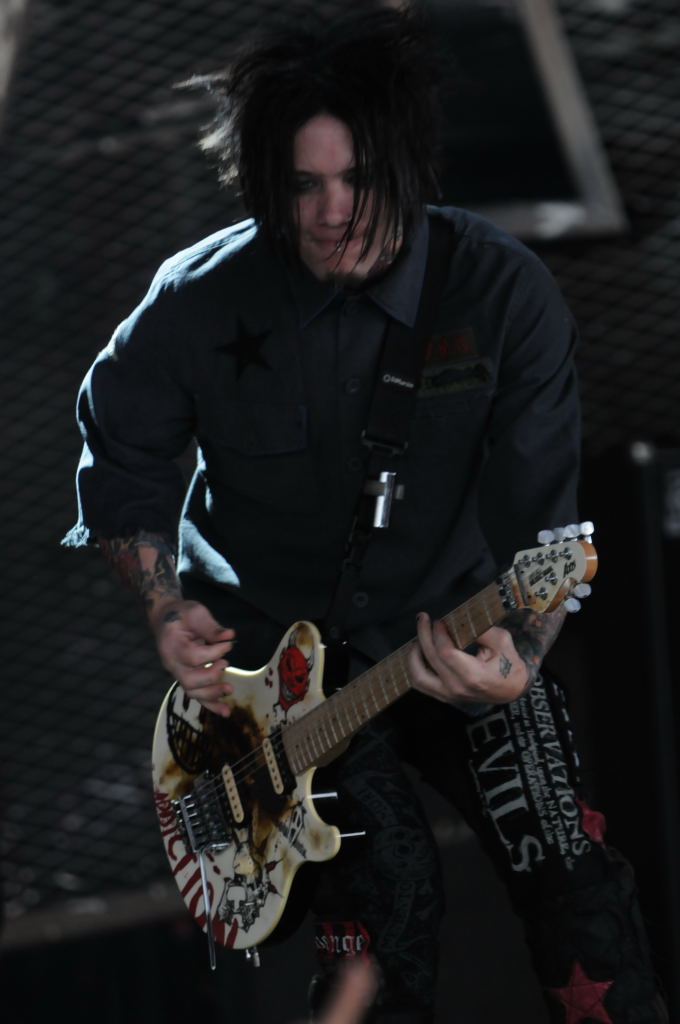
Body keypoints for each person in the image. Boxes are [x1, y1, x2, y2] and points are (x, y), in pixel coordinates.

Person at [63, 6, 668, 1022]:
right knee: (382, 915)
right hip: (277, 679)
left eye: (359, 179)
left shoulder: (497, 291)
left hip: (455, 627)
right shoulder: (197, 299)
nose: (333, 213)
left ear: (410, 167)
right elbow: (119, 451)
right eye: (303, 185)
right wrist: (164, 605)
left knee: (578, 892)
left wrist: (522, 650)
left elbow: (547, 535)